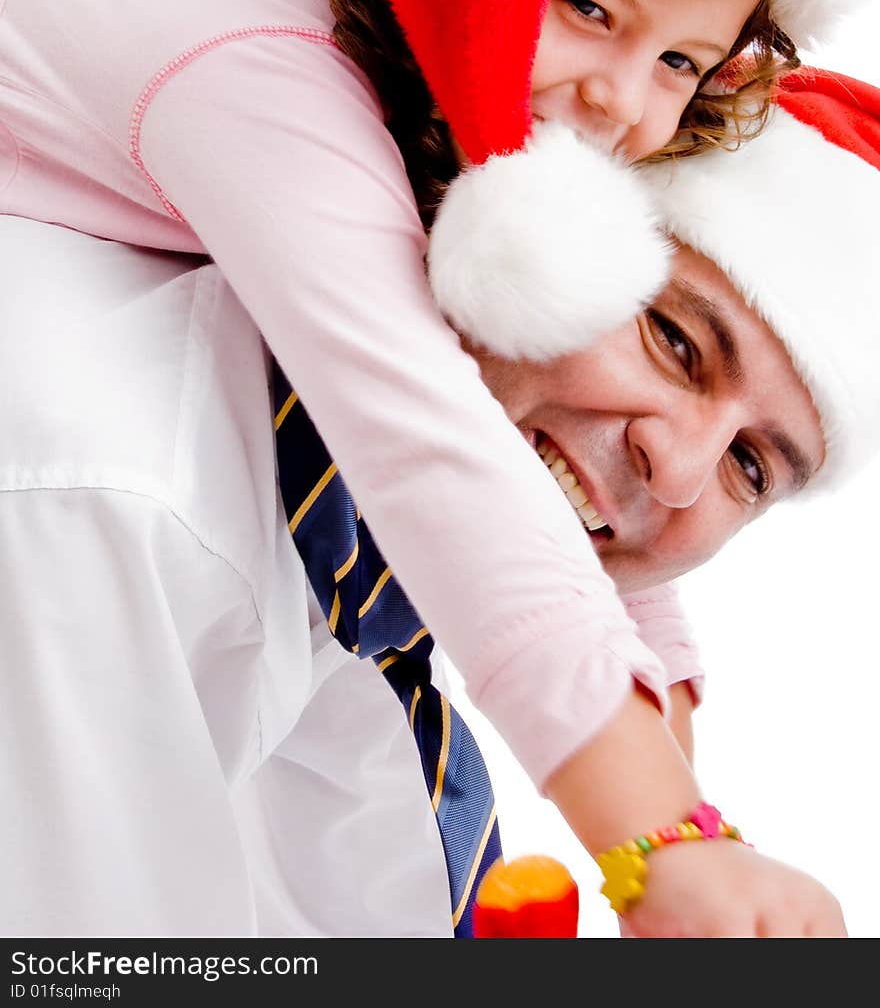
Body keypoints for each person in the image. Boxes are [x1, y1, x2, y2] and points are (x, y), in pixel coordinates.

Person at [0, 0, 875, 935]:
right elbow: (433, 443)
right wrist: (660, 847)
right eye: (587, 8)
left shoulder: (451, 155)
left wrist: (691, 784)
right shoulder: (269, 89)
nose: (622, 109)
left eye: (683, 64)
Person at [1, 68, 878, 938]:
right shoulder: (116, 508)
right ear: (519, 234)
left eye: (753, 467)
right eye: (674, 339)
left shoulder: (365, 566)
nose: (679, 471)